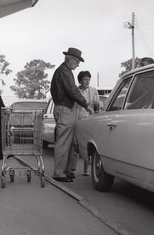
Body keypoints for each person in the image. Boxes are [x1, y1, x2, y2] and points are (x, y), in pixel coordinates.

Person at [50, 47, 92, 182]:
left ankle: (65, 171)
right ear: (71, 59)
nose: (78, 64)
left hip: (65, 108)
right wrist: (86, 104)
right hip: (65, 109)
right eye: (78, 61)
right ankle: (59, 173)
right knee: (63, 142)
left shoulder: (63, 71)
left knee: (67, 142)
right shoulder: (64, 71)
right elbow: (72, 90)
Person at [75, 71, 100, 176]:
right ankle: (72, 169)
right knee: (75, 145)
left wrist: (96, 107)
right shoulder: (75, 91)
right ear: (80, 81)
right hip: (77, 120)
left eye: (89, 79)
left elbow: (98, 106)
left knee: (88, 144)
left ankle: (86, 169)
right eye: (85, 79)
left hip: (89, 120)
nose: (87, 81)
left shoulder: (93, 91)